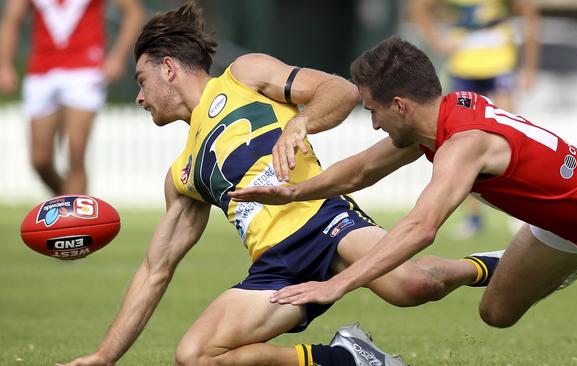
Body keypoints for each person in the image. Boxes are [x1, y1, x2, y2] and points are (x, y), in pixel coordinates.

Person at [57, 4, 503, 366]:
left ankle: (487, 264)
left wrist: (300, 124)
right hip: (276, 267)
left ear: (169, 68)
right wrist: (104, 356)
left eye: (141, 81)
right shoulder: (183, 175)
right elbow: (155, 271)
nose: (138, 96)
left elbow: (341, 91)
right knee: (195, 356)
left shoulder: (243, 77)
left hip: (324, 220)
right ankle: (345, 358)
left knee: (412, 287)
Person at [230, 36, 577, 330]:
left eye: (374, 111)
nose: (374, 124)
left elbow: (421, 228)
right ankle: (547, 255)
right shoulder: (436, 123)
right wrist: (293, 192)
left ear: (401, 105)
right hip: (566, 223)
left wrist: (336, 285)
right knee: (496, 313)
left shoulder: (464, 144)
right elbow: (360, 170)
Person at [408, 0, 540, 237]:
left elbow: (530, 13)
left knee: (511, 136)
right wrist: (437, 41)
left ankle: (522, 212)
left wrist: (529, 68)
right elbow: (418, 8)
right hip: (463, 68)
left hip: (500, 65)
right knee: (456, 141)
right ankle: (473, 217)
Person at [0, 0, 144, 194]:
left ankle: (75, 218)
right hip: (41, 70)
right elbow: (12, 19)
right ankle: (67, 202)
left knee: (76, 154)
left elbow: (134, 13)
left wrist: (117, 57)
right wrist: (4, 64)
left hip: (84, 69)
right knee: (40, 161)